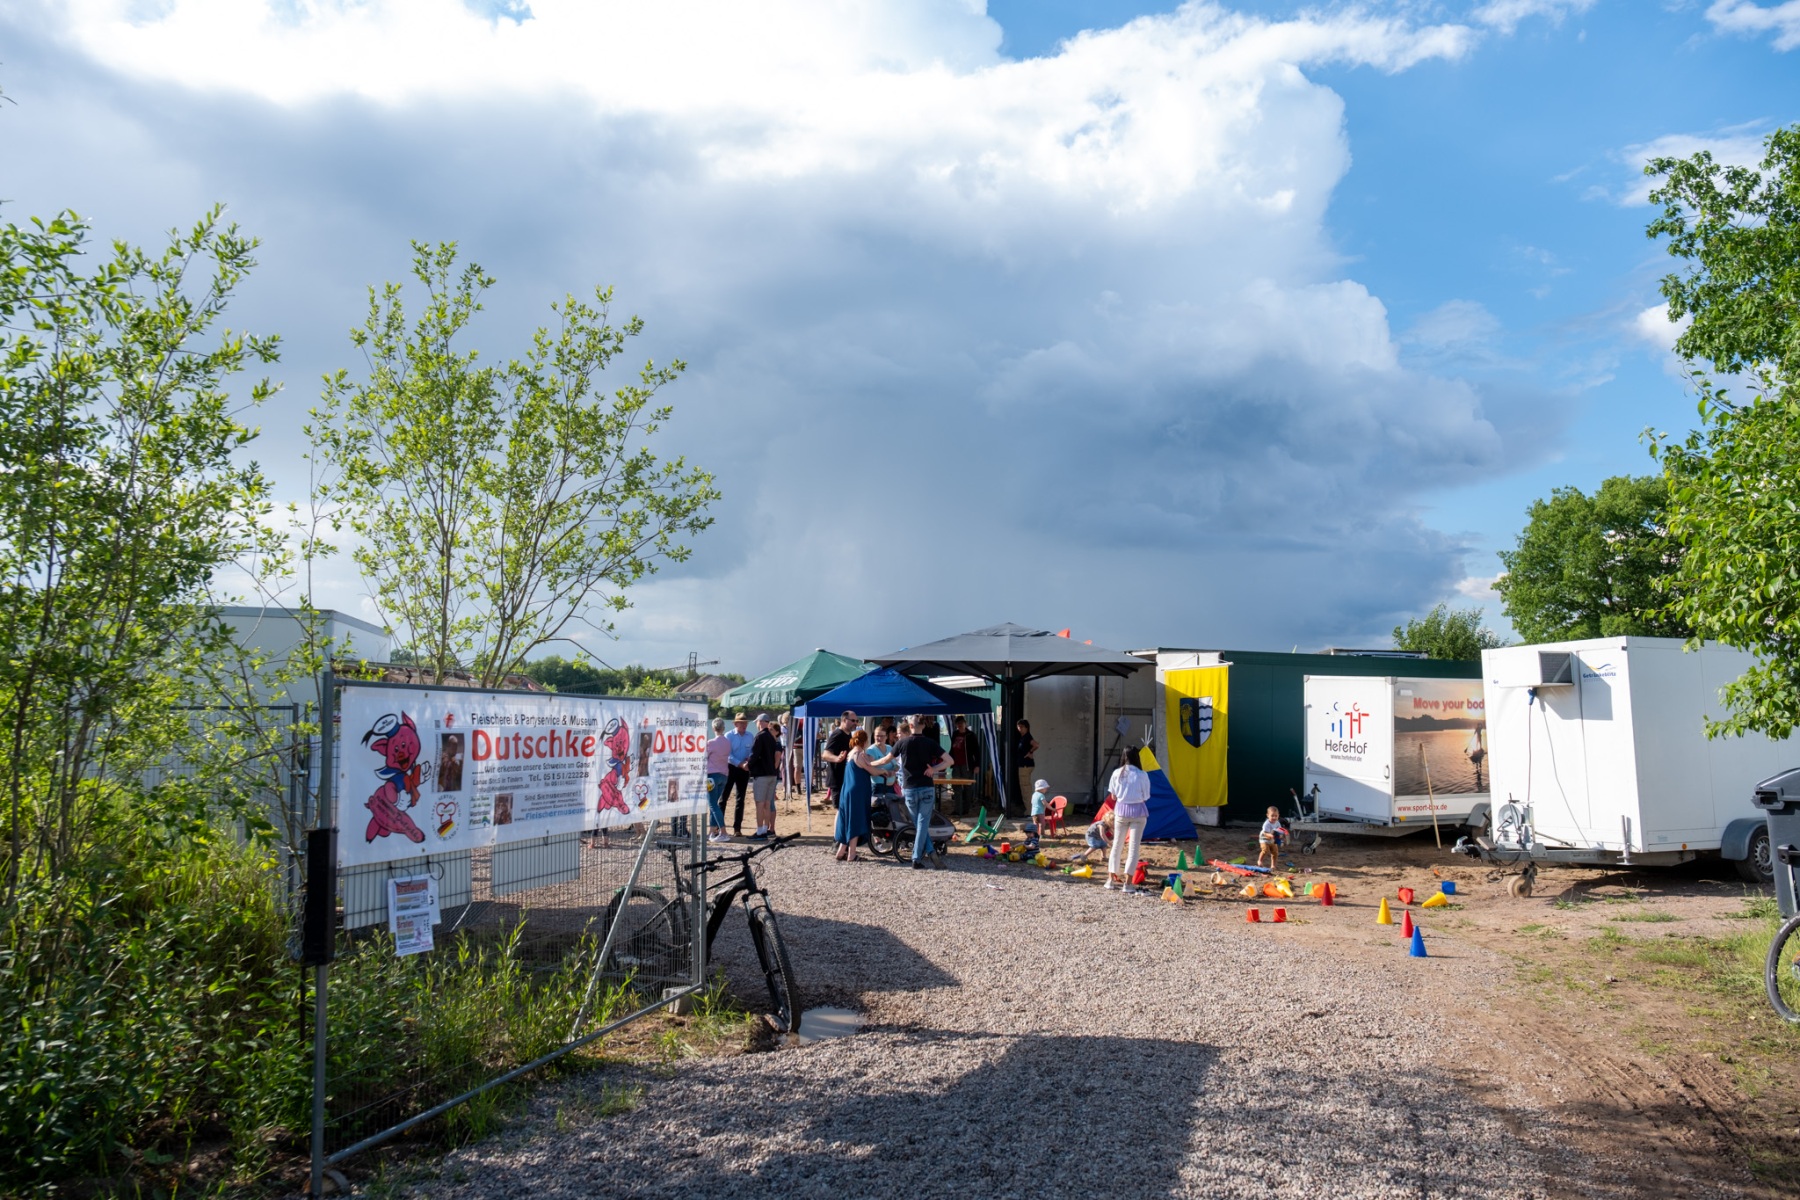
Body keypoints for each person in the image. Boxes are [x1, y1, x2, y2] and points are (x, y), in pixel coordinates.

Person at [896, 713, 950, 870]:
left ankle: (922, 856)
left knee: (919, 825)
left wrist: (870, 764)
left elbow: (886, 760)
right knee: (922, 825)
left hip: (909, 788)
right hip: (926, 786)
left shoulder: (902, 743)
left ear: (910, 726)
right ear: (924, 725)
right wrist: (933, 769)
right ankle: (925, 855)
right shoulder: (930, 743)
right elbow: (949, 761)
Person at [1106, 747, 1152, 893]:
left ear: (1123, 757)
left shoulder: (1116, 773)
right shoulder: (1142, 774)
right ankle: (1128, 883)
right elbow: (1146, 796)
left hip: (1121, 811)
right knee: (1133, 848)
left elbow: (1113, 796)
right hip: (1138, 812)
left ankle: (1110, 880)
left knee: (1117, 845)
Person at [836, 729, 883, 862]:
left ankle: (841, 851)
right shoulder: (859, 755)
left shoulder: (851, 753)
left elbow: (870, 760)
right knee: (855, 820)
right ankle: (852, 854)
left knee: (847, 819)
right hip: (857, 792)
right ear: (865, 741)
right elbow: (873, 771)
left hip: (847, 790)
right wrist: (885, 771)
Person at [747, 713, 782, 839]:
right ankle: (765, 829)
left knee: (760, 804)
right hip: (772, 774)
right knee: (767, 803)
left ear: (761, 722)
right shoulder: (773, 737)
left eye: (757, 722)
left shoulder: (760, 736)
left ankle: (760, 831)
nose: (757, 724)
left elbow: (754, 754)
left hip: (762, 774)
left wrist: (748, 765)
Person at [724, 713, 756, 835]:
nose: (744, 725)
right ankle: (718, 826)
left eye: (745, 723)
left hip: (744, 769)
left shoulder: (750, 736)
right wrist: (739, 763)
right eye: (742, 723)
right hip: (731, 768)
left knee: (740, 799)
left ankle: (737, 828)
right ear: (735, 724)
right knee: (724, 797)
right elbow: (727, 754)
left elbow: (752, 751)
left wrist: (749, 760)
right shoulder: (729, 736)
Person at [821, 711, 857, 810]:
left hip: (845, 778)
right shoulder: (837, 734)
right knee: (839, 810)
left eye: (856, 721)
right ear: (844, 720)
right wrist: (837, 758)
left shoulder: (848, 735)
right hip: (837, 779)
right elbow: (825, 754)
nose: (855, 723)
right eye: (853, 720)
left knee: (845, 809)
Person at [703, 717, 731, 843]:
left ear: (714, 728)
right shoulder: (727, 742)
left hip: (712, 776)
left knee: (713, 805)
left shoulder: (711, 743)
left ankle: (723, 832)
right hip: (724, 775)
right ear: (723, 728)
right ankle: (712, 831)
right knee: (714, 804)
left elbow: (704, 757)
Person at [1013, 718, 1038, 815]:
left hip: (1025, 766)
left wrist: (1030, 752)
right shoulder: (1023, 737)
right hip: (1023, 765)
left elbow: (1036, 745)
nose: (1020, 728)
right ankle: (1029, 810)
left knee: (1026, 789)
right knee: (1025, 788)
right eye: (1018, 726)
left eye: (1022, 727)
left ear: (1026, 727)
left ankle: (1030, 811)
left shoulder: (1027, 737)